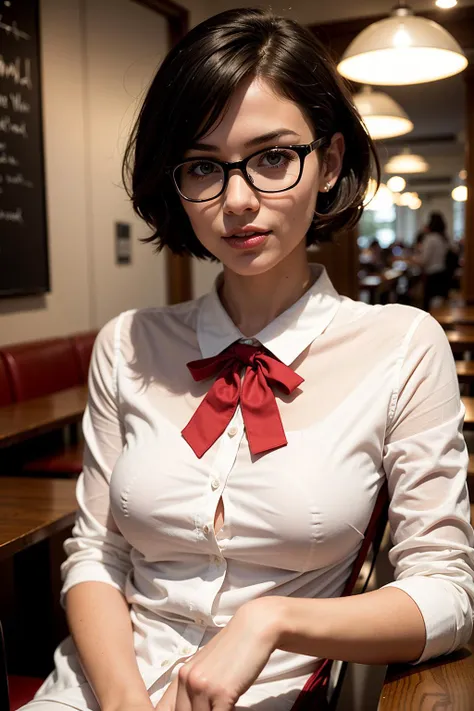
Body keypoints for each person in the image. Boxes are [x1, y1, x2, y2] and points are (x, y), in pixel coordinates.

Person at [23, 8, 474, 711]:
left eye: (271, 158)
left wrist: (272, 620)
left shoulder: (403, 346)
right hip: (94, 689)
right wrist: (122, 700)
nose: (237, 201)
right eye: (204, 166)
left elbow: (447, 591)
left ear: (327, 163)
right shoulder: (128, 343)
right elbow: (96, 555)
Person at [418, 212, 451, 310]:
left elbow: (424, 260)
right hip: (442, 274)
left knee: (429, 307)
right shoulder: (443, 238)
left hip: (432, 276)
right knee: (439, 305)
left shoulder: (430, 238)